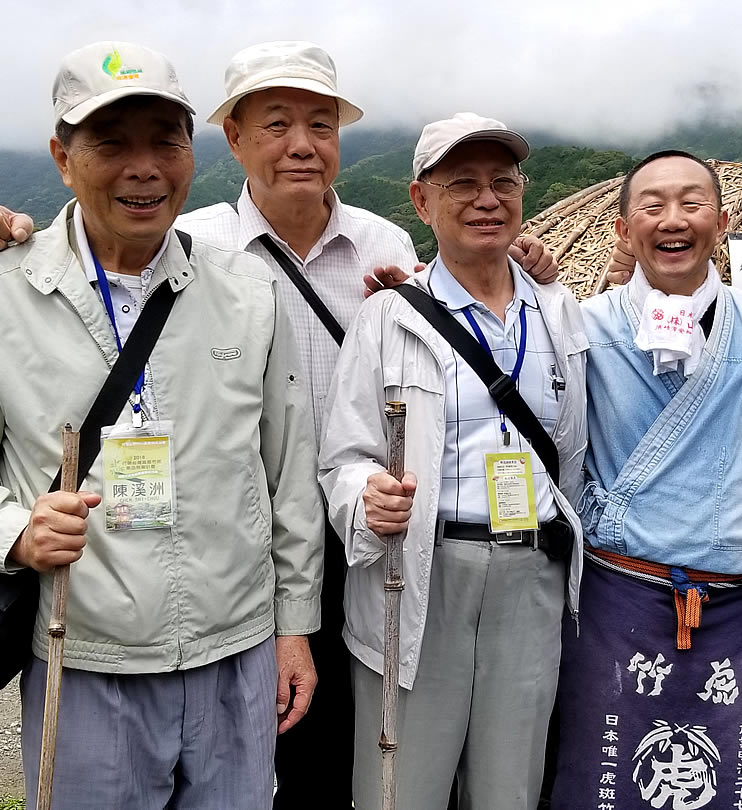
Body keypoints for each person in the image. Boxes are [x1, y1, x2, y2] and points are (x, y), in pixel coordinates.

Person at [0, 40, 557, 807]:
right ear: (232, 139)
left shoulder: (376, 248)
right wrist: (15, 532)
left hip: (354, 543)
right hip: (158, 587)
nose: (302, 144)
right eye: (276, 124)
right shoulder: (196, 251)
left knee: (346, 755)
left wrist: (526, 265)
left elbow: (460, 313)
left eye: (320, 124)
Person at [0, 41, 323, 809]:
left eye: (165, 141)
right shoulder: (10, 294)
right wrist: (12, 529)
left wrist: (294, 625)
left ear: (191, 151)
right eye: (111, 142)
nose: (143, 167)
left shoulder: (247, 290)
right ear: (61, 157)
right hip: (83, 654)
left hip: (235, 653)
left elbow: (289, 472)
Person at [318, 112, 587, 810]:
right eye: (462, 183)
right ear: (421, 201)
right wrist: (365, 494)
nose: (487, 199)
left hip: (533, 573)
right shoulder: (388, 316)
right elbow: (344, 456)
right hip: (419, 571)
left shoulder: (560, 311)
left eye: (503, 182)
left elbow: (580, 446)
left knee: (511, 786)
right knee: (400, 786)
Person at [550, 150, 742, 810]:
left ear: (722, 222)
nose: (673, 220)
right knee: (606, 787)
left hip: (734, 608)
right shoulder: (584, 327)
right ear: (622, 228)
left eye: (692, 204)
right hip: (619, 600)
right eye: (652, 204)